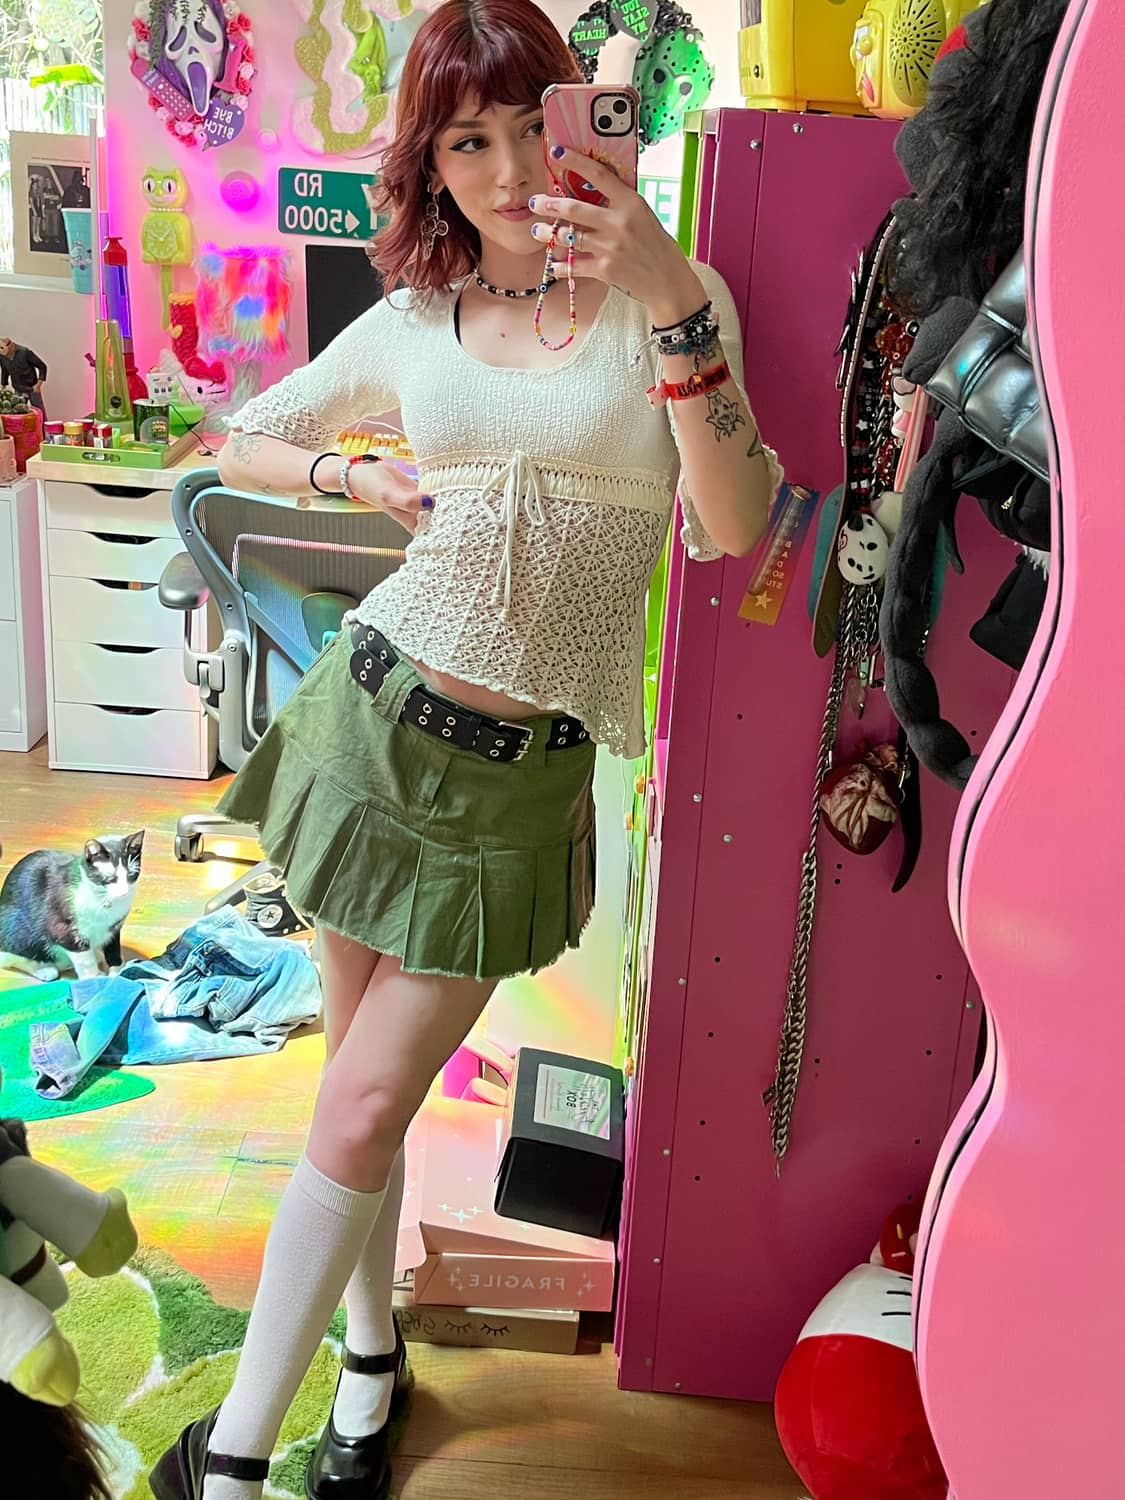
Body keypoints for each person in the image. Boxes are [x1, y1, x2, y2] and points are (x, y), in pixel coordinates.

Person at [150, 2, 778, 1498]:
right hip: (366, 733)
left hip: (514, 788)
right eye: (464, 141)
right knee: (352, 1099)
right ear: (430, 163)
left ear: (580, 125)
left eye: (524, 129)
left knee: (366, 1100)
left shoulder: (668, 299)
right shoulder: (416, 316)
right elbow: (238, 438)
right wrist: (346, 471)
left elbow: (737, 520)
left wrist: (667, 289)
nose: (504, 173)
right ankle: (369, 1364)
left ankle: (226, 1467)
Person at [0, 338, 47, 414]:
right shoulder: (2, 356)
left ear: (11, 345)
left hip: (32, 387)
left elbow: (42, 366)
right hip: (18, 388)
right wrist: (3, 384)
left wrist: (38, 385)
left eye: (2, 348)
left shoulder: (24, 352)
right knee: (17, 412)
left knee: (39, 411)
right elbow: (4, 369)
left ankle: (44, 422)